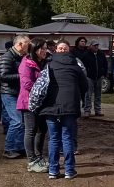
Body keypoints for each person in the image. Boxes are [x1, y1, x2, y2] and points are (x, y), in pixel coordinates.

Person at [38, 40, 88, 179]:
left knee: (53, 139)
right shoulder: (76, 67)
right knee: (67, 138)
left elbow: (42, 84)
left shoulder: (49, 65)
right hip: (70, 106)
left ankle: (53, 170)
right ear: (68, 50)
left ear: (56, 50)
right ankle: (69, 170)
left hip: (50, 106)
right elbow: (85, 86)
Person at [17, 38, 49, 173]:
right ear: (34, 50)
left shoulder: (44, 63)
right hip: (28, 102)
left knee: (42, 129)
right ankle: (32, 160)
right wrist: (43, 89)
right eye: (41, 48)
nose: (44, 51)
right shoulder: (26, 63)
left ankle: (39, 156)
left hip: (41, 103)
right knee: (31, 130)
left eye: (46, 48)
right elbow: (26, 83)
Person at [0, 35, 31, 159]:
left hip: (18, 92)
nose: (29, 46)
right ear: (20, 44)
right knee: (17, 121)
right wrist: (22, 76)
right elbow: (3, 75)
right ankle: (9, 148)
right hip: (9, 93)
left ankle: (19, 147)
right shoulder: (7, 57)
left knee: (22, 121)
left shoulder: (21, 57)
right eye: (28, 43)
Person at [82, 40, 107, 117]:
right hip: (89, 77)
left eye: (97, 45)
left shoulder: (101, 54)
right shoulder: (86, 55)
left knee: (98, 95)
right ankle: (87, 110)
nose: (96, 47)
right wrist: (85, 75)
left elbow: (105, 64)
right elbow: (83, 66)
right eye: (94, 45)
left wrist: (104, 73)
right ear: (91, 46)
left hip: (99, 77)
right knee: (88, 95)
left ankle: (98, 110)